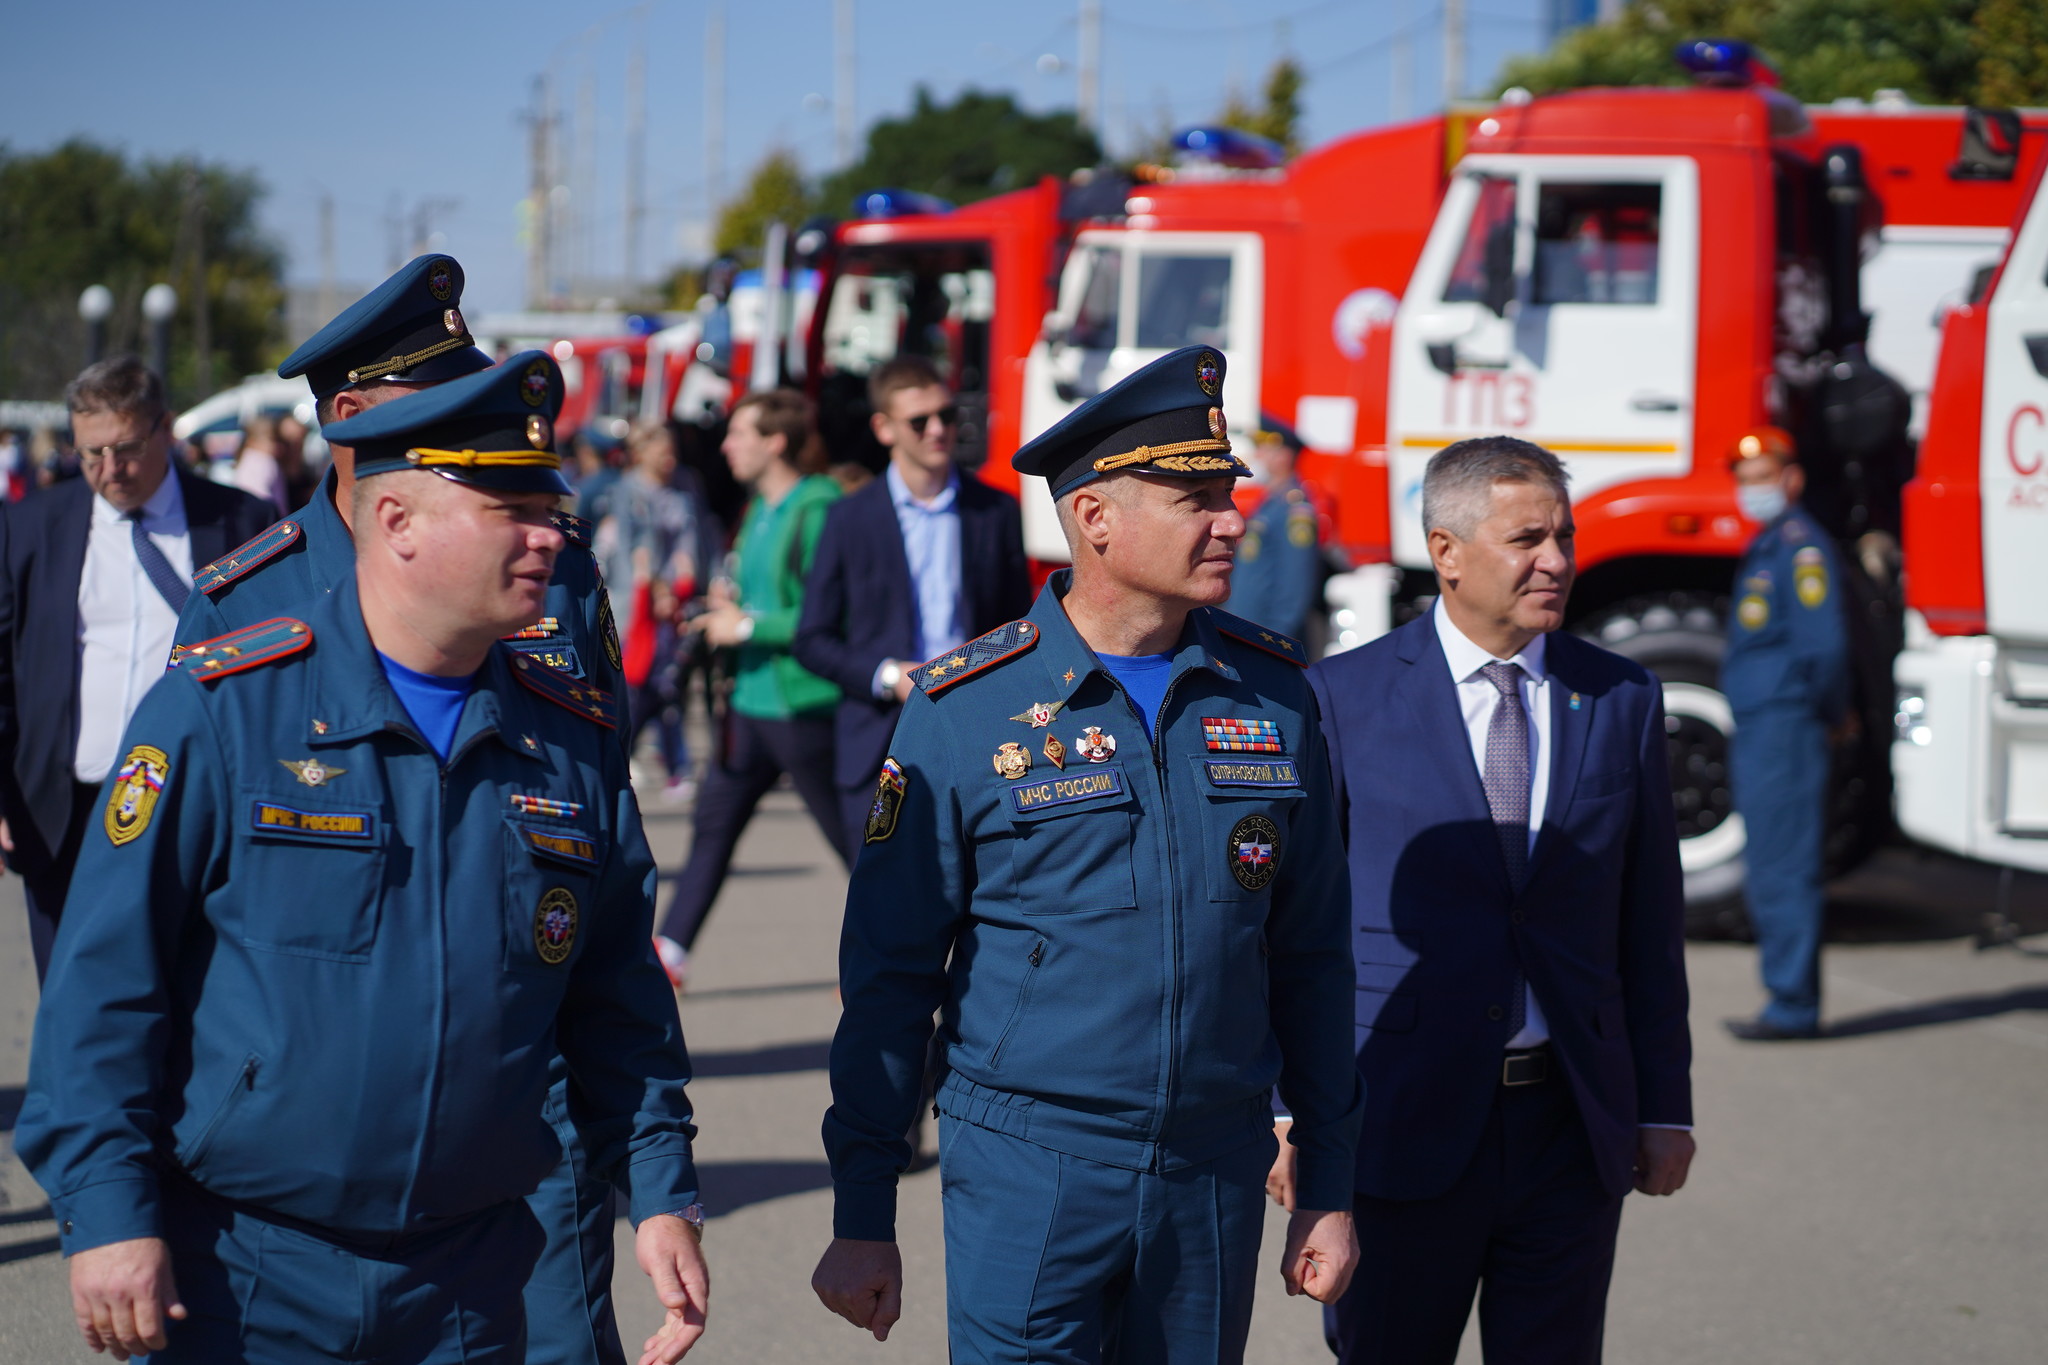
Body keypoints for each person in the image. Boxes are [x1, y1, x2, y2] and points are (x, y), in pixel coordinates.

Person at [16, 353, 709, 1365]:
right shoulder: (225, 710)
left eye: (549, 505)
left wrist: (656, 1189)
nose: (548, 534)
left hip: (470, 1283)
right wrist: (109, 1212)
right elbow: (106, 984)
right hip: (246, 1274)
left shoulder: (569, 739)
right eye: (509, 507)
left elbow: (616, 994)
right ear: (397, 523)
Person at [812, 346, 1362, 1362]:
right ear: (1094, 519)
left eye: (1226, 491)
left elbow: (1314, 956)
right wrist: (862, 1208)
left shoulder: (1275, 697)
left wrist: (1326, 1182)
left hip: (1213, 1169)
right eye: (1192, 497)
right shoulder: (964, 709)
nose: (1230, 519)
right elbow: (889, 981)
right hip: (1031, 1166)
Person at [166, 256, 635, 1365]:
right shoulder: (248, 601)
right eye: (434, 400)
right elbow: (177, 910)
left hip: (528, 1080)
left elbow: (603, 813)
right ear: (353, 421)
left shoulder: (551, 573)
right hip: (305, 1144)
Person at [1296, 435, 1694, 1364]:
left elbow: (1649, 921)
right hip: (1399, 1125)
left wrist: (1663, 1105)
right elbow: (1297, 930)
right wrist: (1290, 1111)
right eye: (1527, 538)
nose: (1555, 559)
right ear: (1446, 551)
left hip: (1568, 1127)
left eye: (1563, 535)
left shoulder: (1621, 696)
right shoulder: (1341, 699)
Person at [0, 356, 275, 980]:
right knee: (72, 1004)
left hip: (194, 811)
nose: (108, 470)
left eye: (124, 449)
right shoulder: (29, 528)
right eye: (89, 453)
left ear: (165, 430)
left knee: (180, 999)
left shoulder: (242, 524)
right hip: (62, 814)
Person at [793, 354, 1031, 861]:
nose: (938, 430)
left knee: (980, 899)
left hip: (979, 731)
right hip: (879, 738)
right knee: (883, 905)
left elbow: (1020, 625)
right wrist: (888, 676)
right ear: (884, 428)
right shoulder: (847, 518)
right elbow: (811, 639)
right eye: (919, 421)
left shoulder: (995, 511)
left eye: (947, 415)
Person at [655, 389, 844, 980]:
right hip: (746, 705)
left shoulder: (820, 507)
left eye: (740, 434)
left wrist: (749, 624)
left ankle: (901, 959)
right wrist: (729, 604)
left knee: (861, 848)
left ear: (775, 442)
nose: (727, 446)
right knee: (712, 827)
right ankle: (668, 955)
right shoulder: (758, 507)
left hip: (803, 704)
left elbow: (832, 613)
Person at [1720, 426, 1851, 1042]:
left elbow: (1823, 646)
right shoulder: (1771, 544)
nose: (1752, 491)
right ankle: (1787, 997)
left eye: (1762, 478)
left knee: (1782, 865)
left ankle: (1792, 1005)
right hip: (1767, 721)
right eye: (1744, 482)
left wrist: (1827, 714)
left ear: (1791, 480)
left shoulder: (1800, 548)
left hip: (1787, 723)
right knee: (1770, 860)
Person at [596, 422, 710, 799]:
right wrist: (654, 589)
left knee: (669, 681)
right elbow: (631, 553)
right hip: (639, 601)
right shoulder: (627, 490)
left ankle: (673, 764)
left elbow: (693, 536)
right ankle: (626, 756)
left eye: (672, 451)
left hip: (678, 596)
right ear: (642, 454)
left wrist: (686, 581)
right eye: (662, 452)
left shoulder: (685, 484)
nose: (670, 459)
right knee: (640, 683)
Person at [1223, 414, 1325, 643]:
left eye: (1264, 448)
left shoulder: (1294, 510)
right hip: (1248, 632)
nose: (1258, 455)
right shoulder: (1271, 502)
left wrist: (1278, 641)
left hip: (1266, 639)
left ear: (1284, 456)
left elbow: (1295, 585)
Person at [227, 413, 288, 510]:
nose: (279, 446)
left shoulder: (246, 459)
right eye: (272, 440)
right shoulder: (263, 461)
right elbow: (262, 498)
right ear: (252, 441)